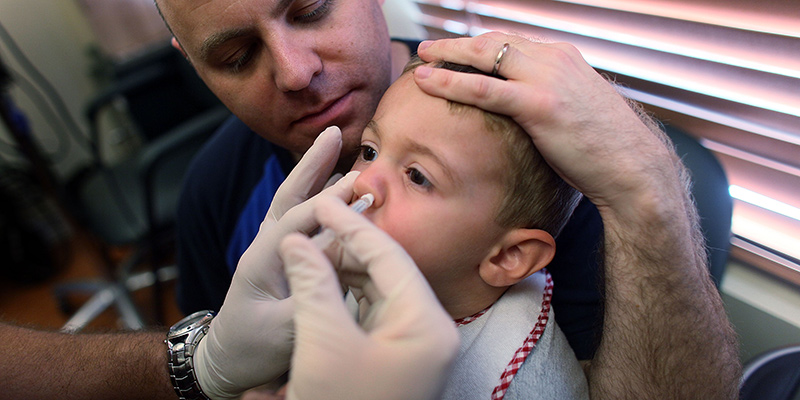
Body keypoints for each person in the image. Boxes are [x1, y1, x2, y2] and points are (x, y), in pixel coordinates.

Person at [155, 0, 740, 397]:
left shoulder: (529, 159)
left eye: (311, 8)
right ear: (194, 65)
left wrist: (646, 187)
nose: (294, 72)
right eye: (236, 56)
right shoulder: (213, 191)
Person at [0, 133, 460, 400]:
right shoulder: (213, 195)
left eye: (313, 9)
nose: (366, 182)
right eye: (370, 150)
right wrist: (211, 366)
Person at [341, 56, 588, 398]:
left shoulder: (531, 387)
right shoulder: (357, 268)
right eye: (369, 151)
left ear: (508, 256)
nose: (365, 182)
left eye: (417, 176)